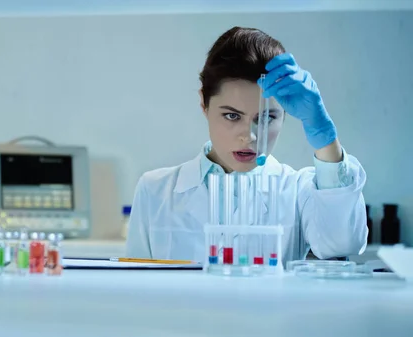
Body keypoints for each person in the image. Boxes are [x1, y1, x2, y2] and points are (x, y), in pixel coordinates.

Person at [125, 26, 368, 265]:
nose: (249, 137)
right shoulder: (155, 191)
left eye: (266, 118)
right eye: (232, 116)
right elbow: (137, 292)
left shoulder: (296, 191)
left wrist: (324, 136)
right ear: (204, 103)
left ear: (285, 113)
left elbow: (342, 243)